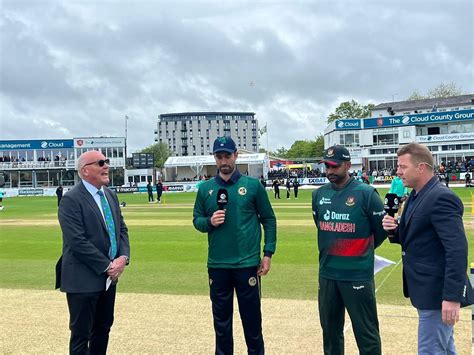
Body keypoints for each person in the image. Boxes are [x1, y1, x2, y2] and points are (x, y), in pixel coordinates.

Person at [382, 143, 473, 354]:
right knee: (443, 348)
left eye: (403, 167)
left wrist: (452, 297)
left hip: (437, 293)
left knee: (431, 350)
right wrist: (395, 231)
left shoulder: (441, 197)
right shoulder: (415, 195)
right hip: (424, 290)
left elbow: (457, 249)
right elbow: (418, 238)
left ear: (421, 167)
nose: (398, 171)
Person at [193, 136, 277, 355]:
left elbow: (269, 219)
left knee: (252, 323)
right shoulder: (205, 189)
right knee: (221, 325)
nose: (223, 161)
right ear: (215, 158)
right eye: (219, 157)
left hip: (246, 264)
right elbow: (197, 221)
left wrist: (267, 254)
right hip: (218, 265)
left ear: (236, 155)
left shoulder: (252, 186)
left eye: (227, 156)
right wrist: (209, 222)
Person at [312, 145, 387, 355]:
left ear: (347, 165)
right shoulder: (319, 195)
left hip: (357, 275)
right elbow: (321, 225)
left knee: (366, 333)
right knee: (330, 332)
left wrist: (359, 250)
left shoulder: (366, 194)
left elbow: (379, 233)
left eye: (334, 166)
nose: (329, 171)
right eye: (326, 166)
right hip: (328, 274)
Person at [56, 150, 131, 354]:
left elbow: (121, 229)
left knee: (103, 329)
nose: (106, 166)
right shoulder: (71, 200)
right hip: (83, 279)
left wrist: (123, 258)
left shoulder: (110, 195)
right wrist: (108, 266)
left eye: (106, 162)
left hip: (109, 279)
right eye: (100, 163)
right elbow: (77, 241)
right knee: (81, 335)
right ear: (85, 170)